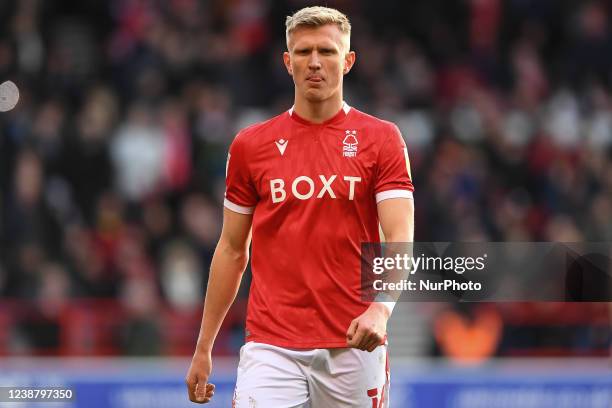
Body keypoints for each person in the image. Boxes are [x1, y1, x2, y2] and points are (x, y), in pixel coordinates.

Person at [185, 6, 414, 407]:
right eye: (304, 52)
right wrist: (204, 345)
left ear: (348, 61)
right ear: (287, 63)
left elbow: (399, 237)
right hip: (271, 345)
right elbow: (232, 249)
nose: (314, 63)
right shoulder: (250, 146)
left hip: (354, 342)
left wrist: (381, 309)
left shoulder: (382, 139)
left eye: (326, 52)